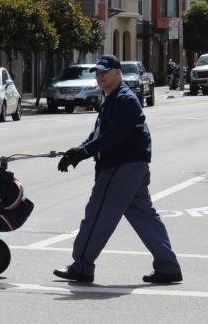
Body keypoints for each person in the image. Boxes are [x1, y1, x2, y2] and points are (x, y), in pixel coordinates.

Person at [53, 54, 182, 284]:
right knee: (145, 217)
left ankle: (81, 266)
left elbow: (114, 137)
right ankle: (168, 267)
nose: (100, 76)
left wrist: (84, 152)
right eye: (98, 72)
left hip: (121, 167)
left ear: (118, 73)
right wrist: (78, 152)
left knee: (97, 215)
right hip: (132, 167)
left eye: (105, 71)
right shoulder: (112, 98)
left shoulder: (124, 99)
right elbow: (98, 135)